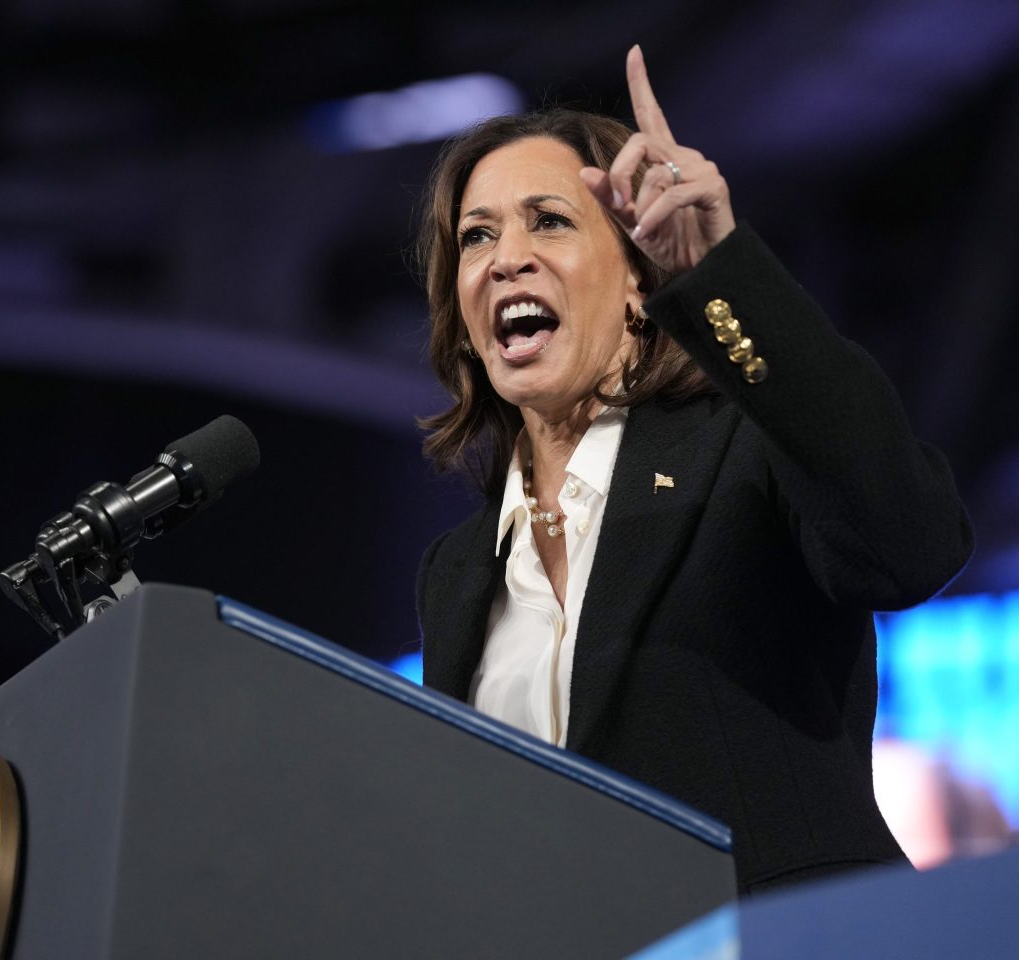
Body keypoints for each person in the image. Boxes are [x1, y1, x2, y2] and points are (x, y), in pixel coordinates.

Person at [413, 45, 973, 895]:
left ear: (640, 281)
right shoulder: (454, 574)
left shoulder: (748, 454)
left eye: (549, 221)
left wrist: (721, 278)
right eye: (476, 236)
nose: (505, 257)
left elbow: (912, 546)